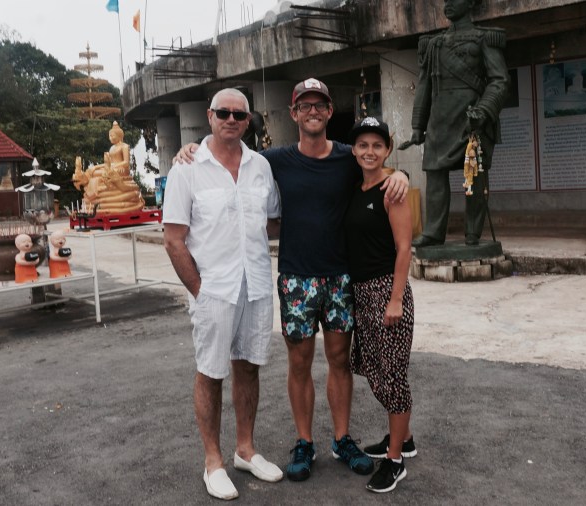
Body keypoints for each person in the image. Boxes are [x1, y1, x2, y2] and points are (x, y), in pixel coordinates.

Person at [174, 78, 409, 482]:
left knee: (339, 361)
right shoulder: (273, 160)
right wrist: (192, 147)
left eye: (320, 105)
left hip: (340, 277)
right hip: (297, 279)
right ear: (294, 113)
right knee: (298, 363)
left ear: (330, 112)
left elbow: (377, 164)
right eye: (305, 105)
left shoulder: (347, 156)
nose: (313, 111)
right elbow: (229, 148)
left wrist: (400, 173)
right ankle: (304, 441)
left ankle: (342, 438)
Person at [163, 88, 283, 500]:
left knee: (248, 366)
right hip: (213, 288)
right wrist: (200, 291)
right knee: (210, 372)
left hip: (256, 285)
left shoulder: (260, 166)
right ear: (210, 116)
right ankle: (212, 461)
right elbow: (173, 239)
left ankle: (245, 449)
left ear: (248, 121)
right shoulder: (188, 168)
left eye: (239, 114)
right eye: (223, 113)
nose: (231, 119)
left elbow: (273, 221)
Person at [343, 117, 416, 493]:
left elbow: (404, 248)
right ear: (354, 150)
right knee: (372, 369)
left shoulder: (392, 189)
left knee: (393, 376)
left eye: (377, 145)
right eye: (362, 145)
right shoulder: (356, 188)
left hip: (388, 291)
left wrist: (396, 299)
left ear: (387, 150)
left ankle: (395, 460)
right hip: (361, 293)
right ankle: (404, 438)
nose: (369, 151)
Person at [399, 0, 509, 246]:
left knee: (475, 177)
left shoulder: (484, 38)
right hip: (439, 122)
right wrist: (418, 126)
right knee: (435, 175)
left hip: (473, 119)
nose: (447, 4)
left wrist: (484, 110)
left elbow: (500, 80)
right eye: (445, 1)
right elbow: (424, 85)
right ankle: (433, 232)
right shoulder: (434, 43)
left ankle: (473, 232)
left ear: (469, 3)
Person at [72, 121, 145, 215]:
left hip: (122, 169)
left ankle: (106, 187)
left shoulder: (125, 146)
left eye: (112, 135)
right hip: (112, 168)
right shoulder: (111, 148)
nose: (110, 138)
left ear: (119, 135)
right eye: (109, 136)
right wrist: (95, 167)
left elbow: (126, 163)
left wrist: (114, 166)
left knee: (105, 173)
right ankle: (93, 193)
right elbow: (108, 163)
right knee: (95, 172)